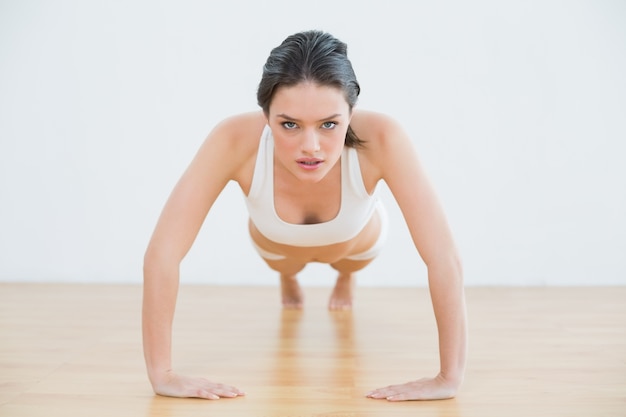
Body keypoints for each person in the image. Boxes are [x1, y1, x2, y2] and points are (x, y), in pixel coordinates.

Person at [142, 30, 467, 402]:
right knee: (285, 264)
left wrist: (448, 377)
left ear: (350, 114)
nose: (310, 147)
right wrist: (161, 374)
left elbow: (444, 257)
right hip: (277, 246)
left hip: (358, 242)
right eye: (289, 125)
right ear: (265, 116)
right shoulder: (233, 139)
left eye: (329, 124)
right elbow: (162, 254)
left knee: (350, 262)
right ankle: (290, 278)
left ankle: (345, 277)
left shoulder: (383, 136)